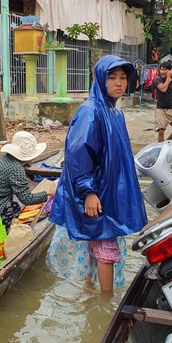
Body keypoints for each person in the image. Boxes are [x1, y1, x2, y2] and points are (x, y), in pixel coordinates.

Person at [48, 55, 147, 295]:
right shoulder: (90, 111)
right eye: (112, 77)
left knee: (96, 243)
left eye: (123, 78)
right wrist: (88, 192)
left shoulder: (115, 111)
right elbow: (78, 155)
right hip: (97, 193)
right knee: (105, 246)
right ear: (101, 79)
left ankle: (90, 293)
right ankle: (105, 304)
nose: (118, 83)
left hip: (109, 191)